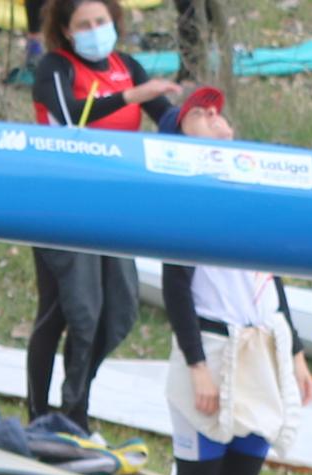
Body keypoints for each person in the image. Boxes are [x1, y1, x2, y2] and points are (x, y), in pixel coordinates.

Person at [21, 0, 183, 444]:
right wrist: (132, 96)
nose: (95, 30)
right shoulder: (54, 66)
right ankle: (43, 413)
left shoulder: (126, 65)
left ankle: (75, 406)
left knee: (119, 312)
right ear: (68, 32)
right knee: (73, 312)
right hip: (58, 206)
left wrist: (200, 126)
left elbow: (166, 118)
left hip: (112, 207)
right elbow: (70, 116)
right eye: (84, 24)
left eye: (102, 21)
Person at [154, 97, 301, 475]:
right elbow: (176, 288)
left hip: (261, 352)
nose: (214, 118)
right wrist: (197, 367)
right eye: (200, 114)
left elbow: (271, 276)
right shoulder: (184, 200)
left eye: (218, 112)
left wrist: (295, 352)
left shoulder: (253, 190)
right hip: (212, 353)